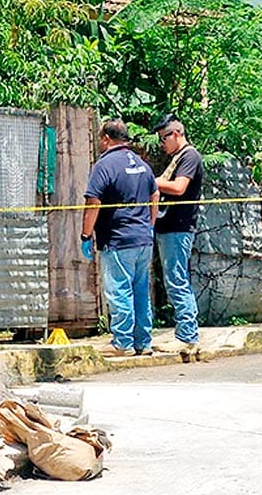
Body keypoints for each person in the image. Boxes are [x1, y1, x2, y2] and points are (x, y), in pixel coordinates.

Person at [81, 119, 159, 357]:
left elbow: (93, 201)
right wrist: (149, 225)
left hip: (118, 239)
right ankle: (143, 342)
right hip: (143, 239)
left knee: (119, 290)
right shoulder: (141, 163)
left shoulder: (104, 166)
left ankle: (122, 343)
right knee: (140, 291)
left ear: (106, 138)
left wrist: (86, 235)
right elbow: (155, 194)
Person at [153, 115, 203, 353]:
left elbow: (179, 187)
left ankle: (187, 335)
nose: (162, 144)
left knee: (177, 279)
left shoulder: (189, 156)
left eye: (164, 138)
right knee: (174, 278)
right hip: (168, 225)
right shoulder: (176, 158)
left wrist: (151, 181)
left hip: (179, 226)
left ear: (175, 134)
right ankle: (186, 333)